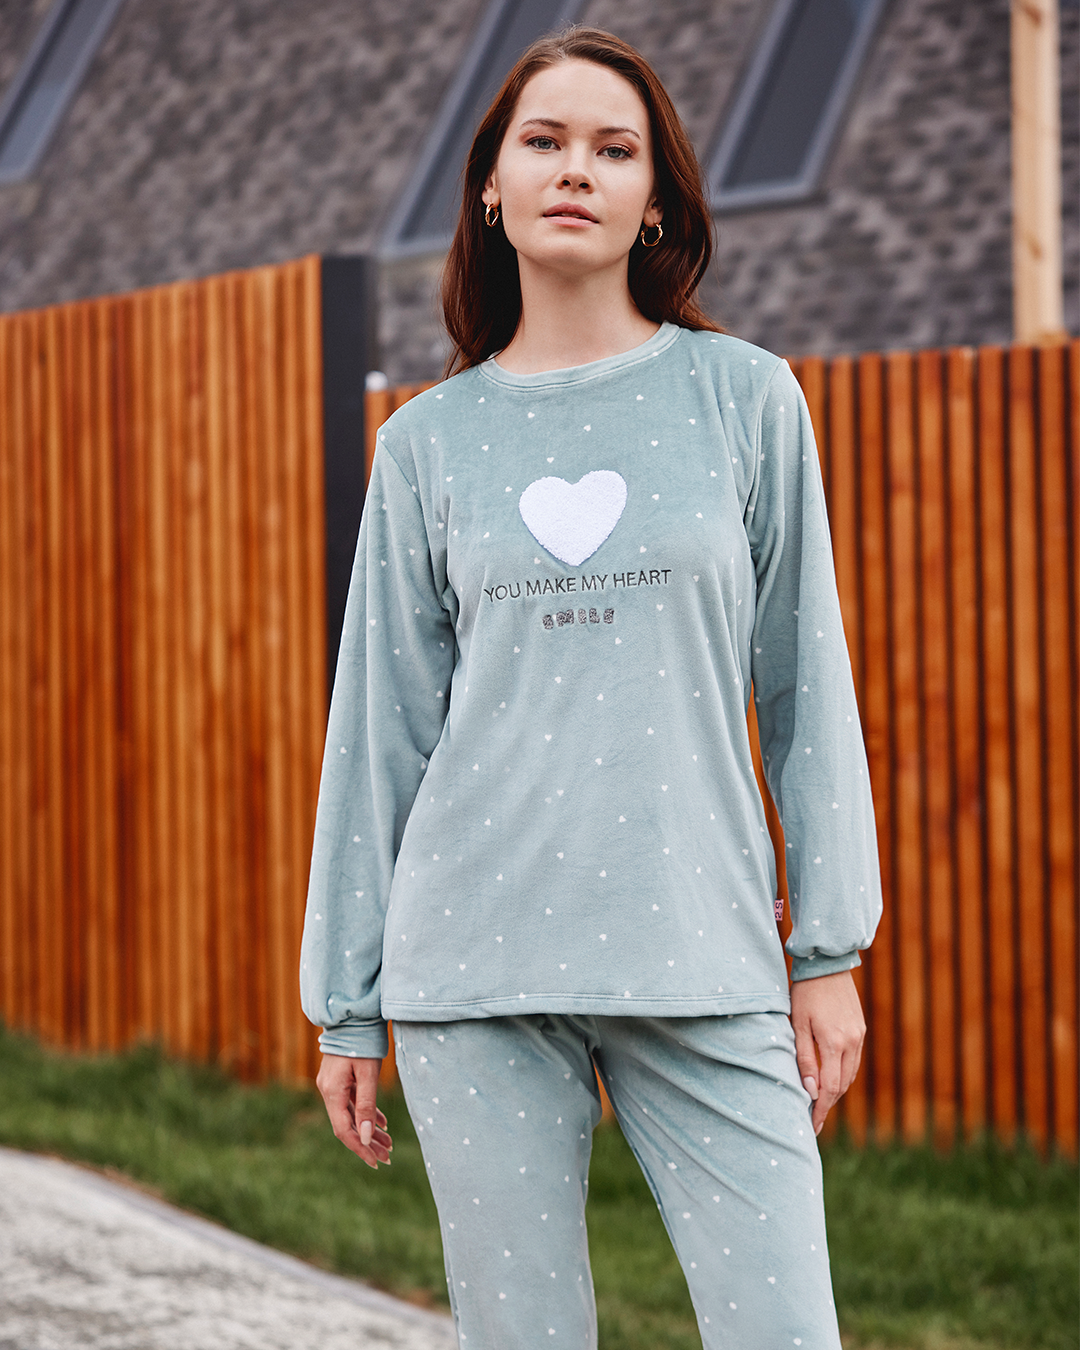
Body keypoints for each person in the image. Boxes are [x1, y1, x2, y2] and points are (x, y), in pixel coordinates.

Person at [301, 25, 881, 1349]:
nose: (577, 169)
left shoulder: (746, 400)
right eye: (544, 141)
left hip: (706, 952)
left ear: (654, 201)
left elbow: (806, 687)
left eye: (615, 149)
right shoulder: (427, 446)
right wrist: (346, 1001)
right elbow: (379, 730)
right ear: (489, 188)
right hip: (475, 970)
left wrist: (829, 951)